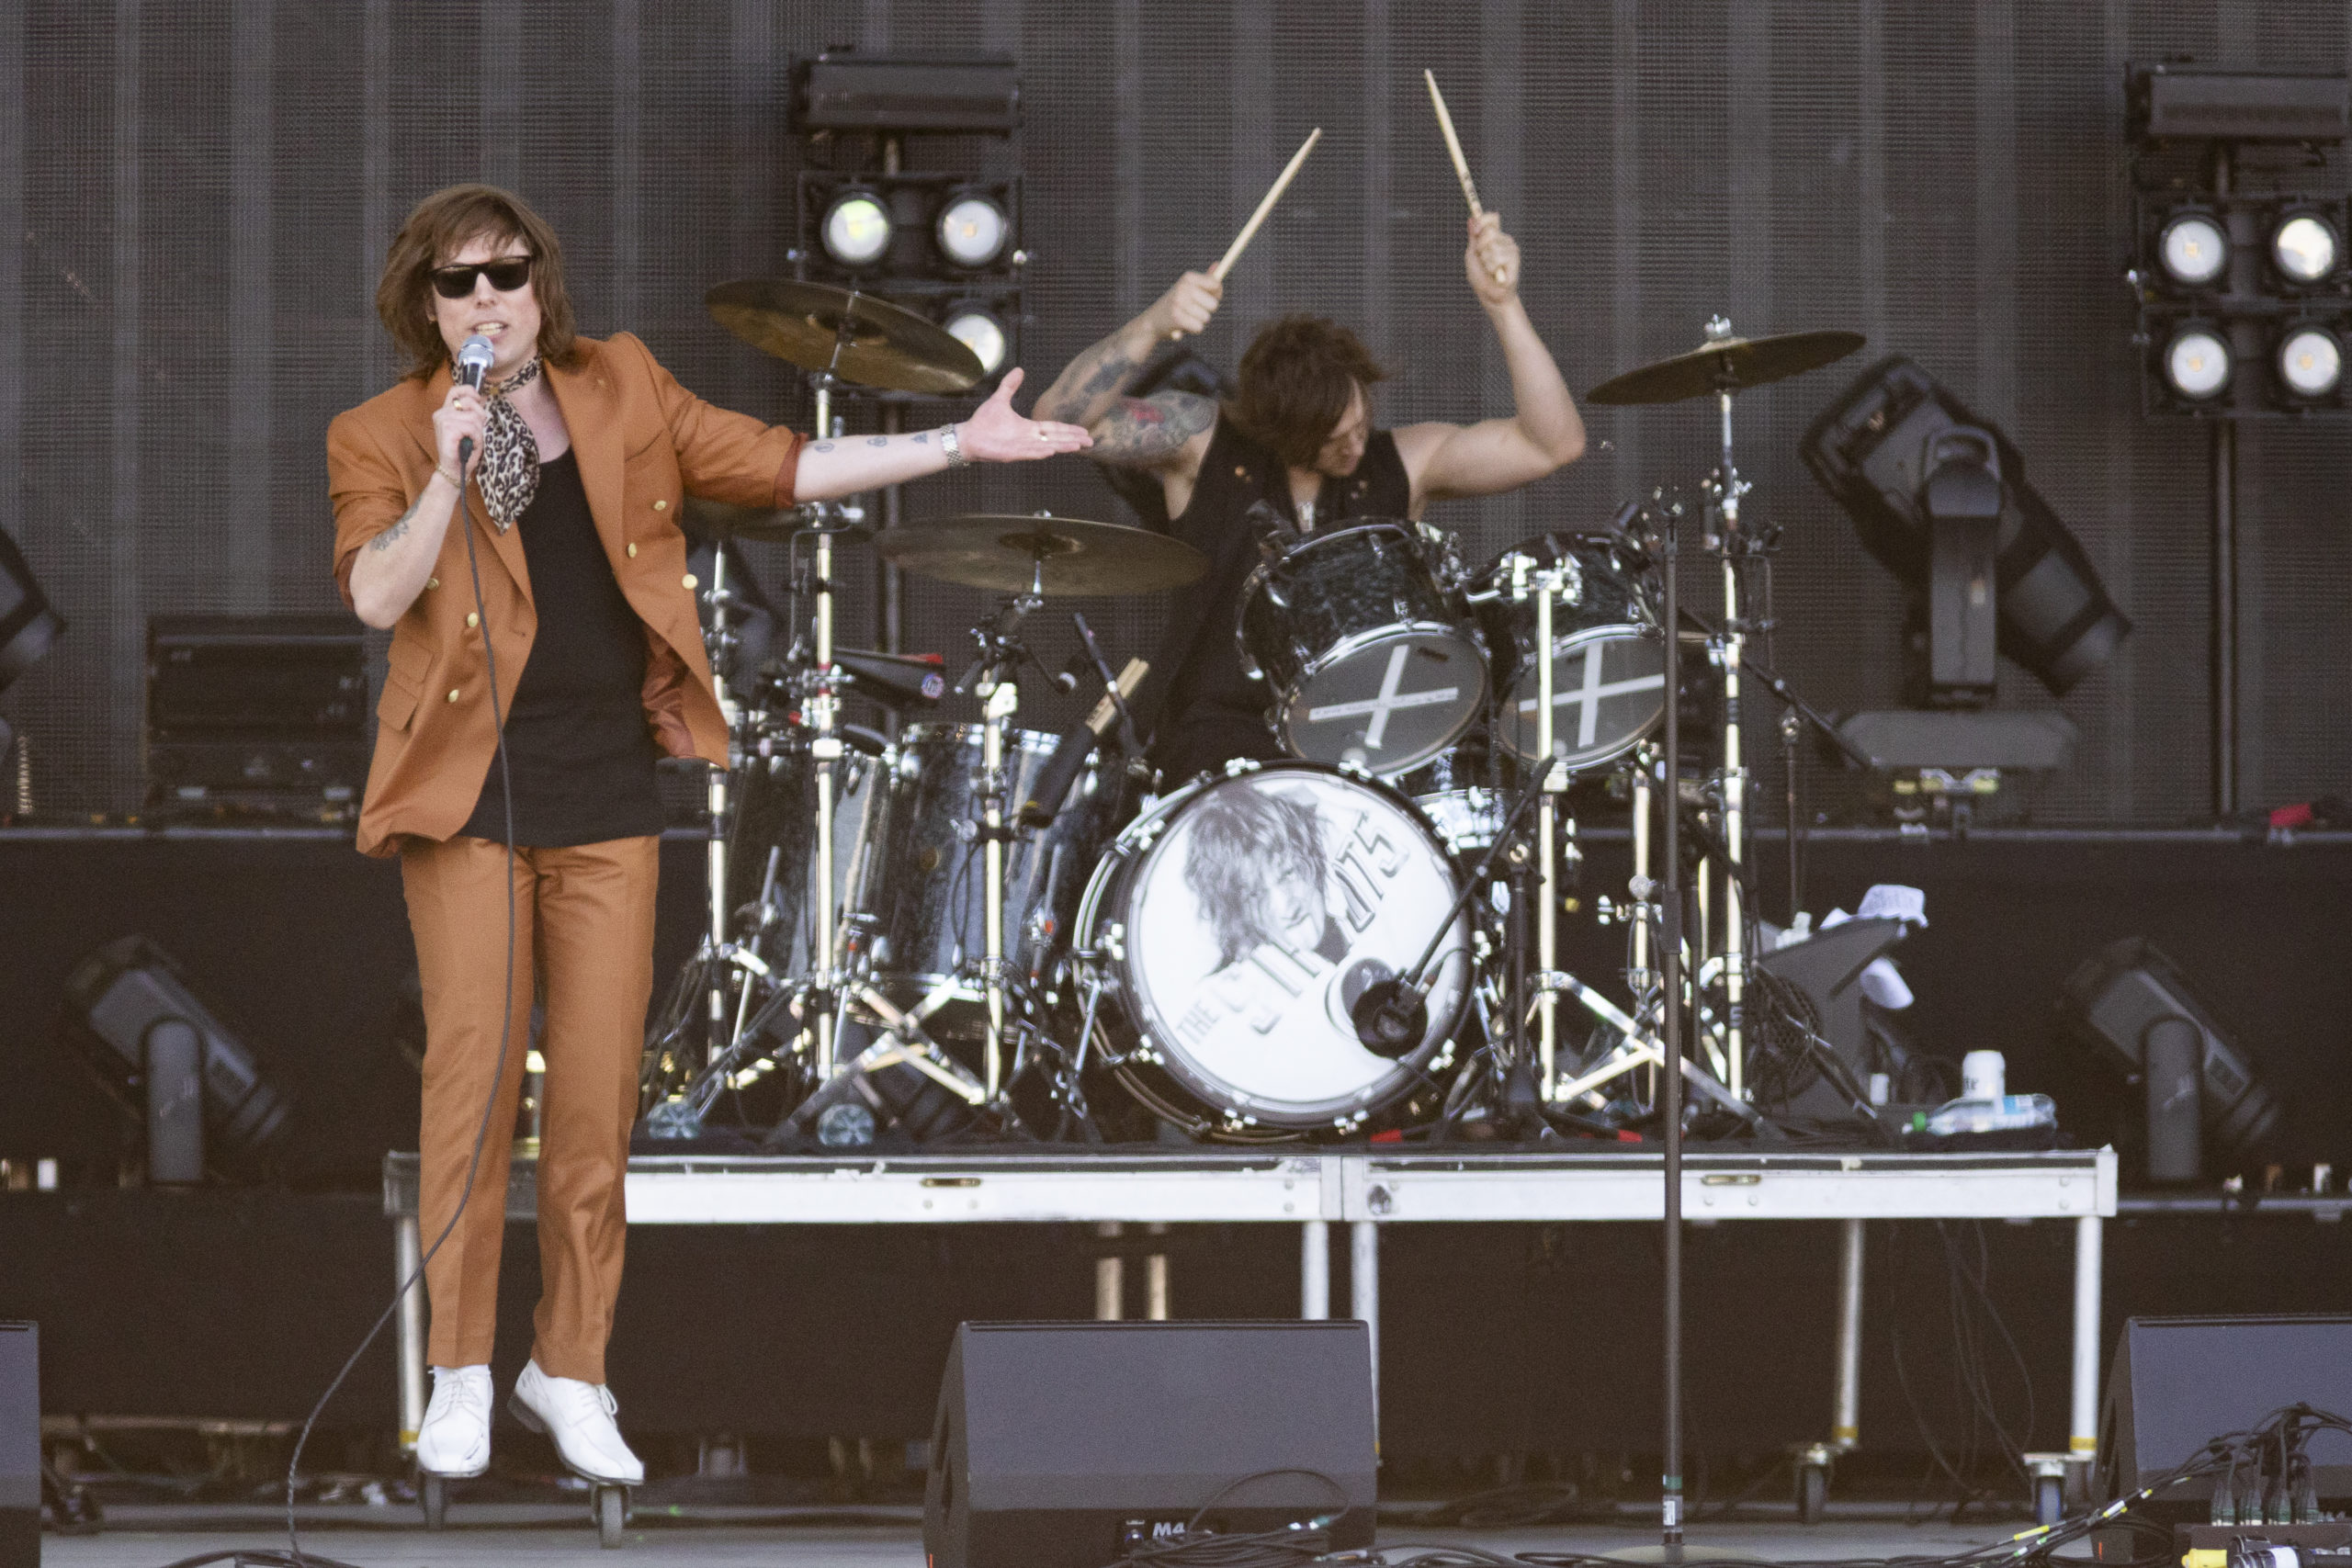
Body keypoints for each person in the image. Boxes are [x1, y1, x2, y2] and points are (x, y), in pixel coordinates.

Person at [327, 184, 1089, 1488]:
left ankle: (571, 1368)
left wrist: (958, 446)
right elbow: (373, 591)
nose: (488, 298)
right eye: (459, 281)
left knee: (596, 1102)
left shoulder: (620, 383)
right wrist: (448, 470)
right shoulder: (383, 431)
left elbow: (782, 464)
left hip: (608, 795)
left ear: (541, 283)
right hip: (469, 800)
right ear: (426, 304)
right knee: (470, 1083)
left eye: (508, 271)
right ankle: (459, 1370)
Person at [1033, 212, 1588, 784]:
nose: (1355, 446)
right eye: (1332, 440)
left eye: (1360, 424)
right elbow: (1057, 420)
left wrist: (1503, 304)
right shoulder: (1203, 444)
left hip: (1368, 750)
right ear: (1280, 433)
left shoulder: (1405, 461)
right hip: (1218, 748)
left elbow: (1554, 445)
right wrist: (1154, 324)